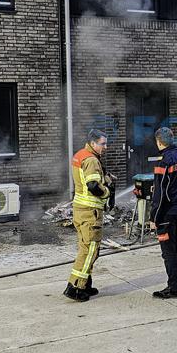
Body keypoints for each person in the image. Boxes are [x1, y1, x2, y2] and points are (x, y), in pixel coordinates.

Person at [64, 129, 114, 302]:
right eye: (103, 144)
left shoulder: (81, 155)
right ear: (93, 143)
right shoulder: (92, 160)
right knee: (89, 250)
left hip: (80, 210)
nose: (105, 147)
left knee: (87, 248)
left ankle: (85, 284)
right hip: (90, 213)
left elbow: (88, 180)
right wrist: (107, 192)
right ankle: (75, 287)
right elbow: (93, 186)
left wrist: (105, 178)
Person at [150, 127, 177, 299]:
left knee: (168, 251)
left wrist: (154, 217)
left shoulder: (164, 162)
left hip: (166, 213)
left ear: (159, 142)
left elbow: (159, 195)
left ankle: (172, 288)